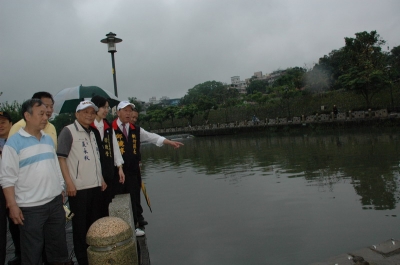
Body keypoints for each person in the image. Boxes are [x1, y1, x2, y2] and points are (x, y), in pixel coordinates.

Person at [0, 99, 72, 265]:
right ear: (27, 115)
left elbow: (55, 165)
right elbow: (7, 177)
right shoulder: (14, 143)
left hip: (54, 204)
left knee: (58, 250)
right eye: (41, 114)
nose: (45, 117)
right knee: (32, 252)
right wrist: (12, 205)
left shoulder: (47, 139)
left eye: (47, 114)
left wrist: (61, 188)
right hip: (30, 208)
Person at [57, 100, 107, 265]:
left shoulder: (92, 133)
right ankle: (83, 260)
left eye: (92, 112)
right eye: (85, 112)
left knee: (94, 225)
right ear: (77, 114)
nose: (89, 115)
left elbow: (95, 159)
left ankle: (94, 257)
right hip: (78, 189)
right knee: (80, 229)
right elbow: (61, 158)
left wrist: (101, 178)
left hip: (95, 186)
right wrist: (69, 183)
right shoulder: (68, 131)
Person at [130, 107, 184, 227]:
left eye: (135, 118)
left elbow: (151, 137)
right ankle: (132, 222)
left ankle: (138, 218)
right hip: (121, 169)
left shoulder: (136, 130)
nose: (133, 120)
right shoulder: (115, 130)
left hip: (135, 167)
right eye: (131, 117)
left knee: (136, 192)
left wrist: (169, 142)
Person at [90, 95, 125, 217]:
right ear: (95, 108)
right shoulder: (89, 128)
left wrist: (119, 167)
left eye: (107, 107)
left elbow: (115, 147)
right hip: (94, 175)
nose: (106, 110)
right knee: (96, 207)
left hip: (109, 171)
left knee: (108, 203)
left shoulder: (107, 126)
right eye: (103, 107)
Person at [0, 111, 13, 265]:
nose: (0, 125)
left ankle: (21, 256)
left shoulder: (17, 142)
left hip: (16, 188)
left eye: (3, 121)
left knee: (18, 227)